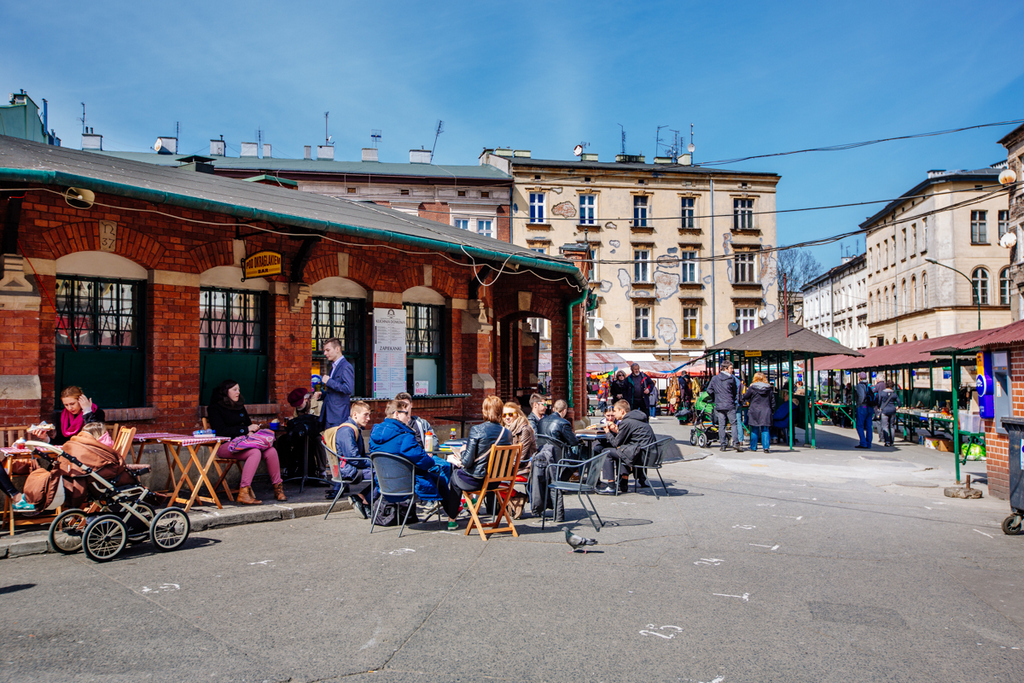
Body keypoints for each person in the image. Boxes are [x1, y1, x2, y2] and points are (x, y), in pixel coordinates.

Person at [369, 399, 461, 528]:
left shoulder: (374, 434)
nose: (409, 417)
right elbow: (424, 461)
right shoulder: (405, 435)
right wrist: (429, 459)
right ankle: (453, 515)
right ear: (396, 414)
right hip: (407, 483)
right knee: (440, 477)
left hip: (383, 483)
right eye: (406, 413)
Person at [207, 379, 285, 505]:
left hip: (245, 443)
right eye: (235, 390)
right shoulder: (215, 408)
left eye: (239, 389)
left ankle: (278, 488)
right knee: (255, 452)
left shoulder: (239, 405)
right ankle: (244, 492)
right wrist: (244, 430)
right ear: (226, 392)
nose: (238, 392)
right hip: (225, 445)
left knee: (271, 451)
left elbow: (248, 425)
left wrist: (252, 430)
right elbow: (221, 431)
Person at [449, 396, 513, 509]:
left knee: (455, 475)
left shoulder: (477, 430)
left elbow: (467, 462)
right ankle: (470, 501)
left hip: (477, 480)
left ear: (485, 411)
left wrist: (463, 451)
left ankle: (452, 518)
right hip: (495, 481)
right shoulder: (507, 433)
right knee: (460, 474)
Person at [323, 400, 374, 516]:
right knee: (384, 475)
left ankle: (361, 498)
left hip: (349, 468)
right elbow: (354, 458)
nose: (369, 418)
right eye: (365, 415)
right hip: (349, 471)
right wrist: (374, 463)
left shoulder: (352, 429)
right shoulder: (347, 431)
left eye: (369, 415)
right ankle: (365, 501)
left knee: (385, 473)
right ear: (355, 414)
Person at [597, 399, 656, 494]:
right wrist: (617, 431)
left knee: (606, 452)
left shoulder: (626, 422)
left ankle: (611, 485)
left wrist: (607, 432)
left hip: (641, 457)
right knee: (622, 450)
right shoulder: (637, 419)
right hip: (649, 454)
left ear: (622, 411)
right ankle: (623, 482)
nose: (614, 414)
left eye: (615, 411)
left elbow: (615, 443)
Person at [28, 386, 105, 447]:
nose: (69, 408)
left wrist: (87, 411)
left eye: (72, 404)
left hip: (89, 451)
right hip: (70, 452)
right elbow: (60, 442)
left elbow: (95, 435)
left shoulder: (96, 413)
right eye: (66, 405)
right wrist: (45, 438)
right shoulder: (62, 417)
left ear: (81, 400)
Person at [707, 361, 743, 452]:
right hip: (729, 404)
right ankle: (736, 443)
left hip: (719, 404)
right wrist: (731, 397)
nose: (732, 370)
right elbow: (735, 391)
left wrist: (715, 397)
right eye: (731, 368)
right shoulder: (731, 379)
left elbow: (709, 390)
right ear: (726, 369)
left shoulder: (715, 378)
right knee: (733, 424)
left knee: (721, 425)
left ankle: (723, 445)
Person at [321, 337, 354, 429]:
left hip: (339, 416)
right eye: (324, 351)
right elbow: (334, 392)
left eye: (328, 350)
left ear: (337, 349)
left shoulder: (346, 366)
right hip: (330, 415)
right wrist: (322, 395)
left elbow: (348, 388)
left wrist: (329, 382)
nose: (325, 353)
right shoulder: (334, 367)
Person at [742, 372, 775, 453]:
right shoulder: (769, 389)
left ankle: (753, 447)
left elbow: (745, 396)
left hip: (754, 410)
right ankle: (766, 448)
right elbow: (772, 401)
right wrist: (772, 410)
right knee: (765, 429)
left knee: (754, 429)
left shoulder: (752, 388)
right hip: (766, 410)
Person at [853, 371, 876, 449]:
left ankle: (863, 443)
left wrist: (859, 404)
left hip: (863, 407)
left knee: (859, 425)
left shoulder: (860, 385)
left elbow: (861, 396)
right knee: (869, 426)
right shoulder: (870, 385)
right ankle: (869, 443)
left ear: (859, 377)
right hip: (870, 407)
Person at [878, 380, 901, 447]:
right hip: (892, 411)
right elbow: (899, 403)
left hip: (884, 411)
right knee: (892, 426)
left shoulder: (882, 393)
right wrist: (897, 407)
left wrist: (880, 407)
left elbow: (879, 402)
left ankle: (887, 441)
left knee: (885, 426)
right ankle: (892, 441)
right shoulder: (894, 394)